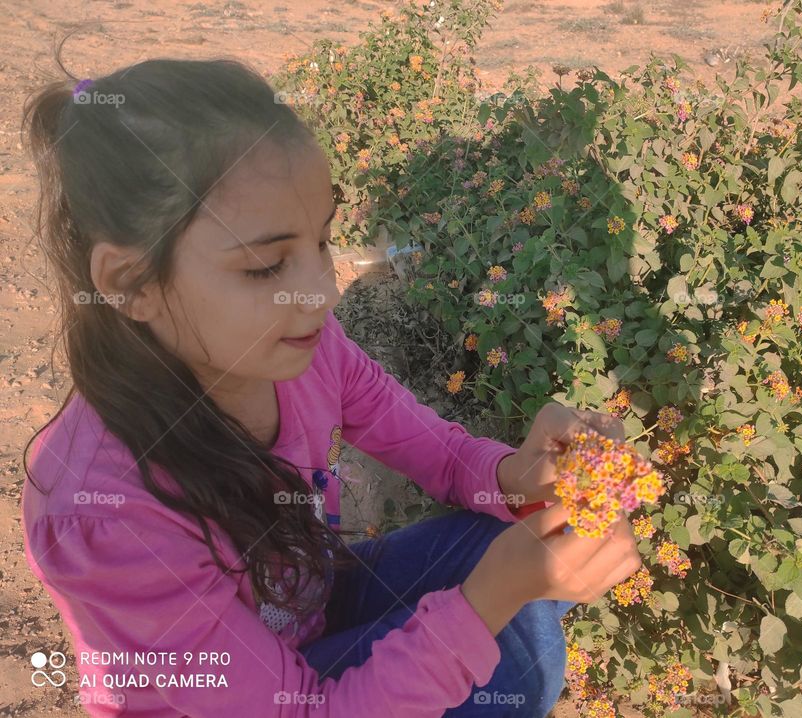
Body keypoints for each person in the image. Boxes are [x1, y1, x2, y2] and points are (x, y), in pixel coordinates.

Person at [19, 53, 643, 717]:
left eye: (322, 241)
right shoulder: (105, 512)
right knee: (512, 668)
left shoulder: (306, 354)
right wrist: (486, 602)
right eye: (265, 265)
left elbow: (438, 451)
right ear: (129, 283)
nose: (320, 291)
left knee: (508, 557)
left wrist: (517, 478)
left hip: (313, 607)